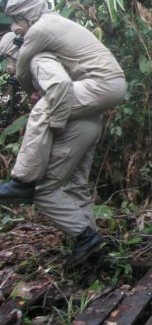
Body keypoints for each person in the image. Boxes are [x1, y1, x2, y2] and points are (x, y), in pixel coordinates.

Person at [0, 0, 126, 200]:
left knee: (44, 107)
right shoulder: (55, 22)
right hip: (109, 83)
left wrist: (32, 93)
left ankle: (22, 181)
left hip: (101, 83)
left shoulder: (40, 28)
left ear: (26, 14)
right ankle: (84, 222)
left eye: (16, 20)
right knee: (57, 106)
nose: (15, 27)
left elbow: (22, 67)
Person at [0, 32, 105, 266]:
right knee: (76, 186)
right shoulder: (52, 56)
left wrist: (55, 120)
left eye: (9, 58)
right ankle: (93, 256)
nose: (9, 65)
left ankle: (86, 237)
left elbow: (60, 85)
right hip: (90, 121)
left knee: (44, 190)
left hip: (73, 125)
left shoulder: (38, 60)